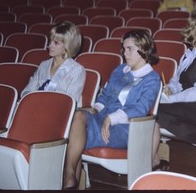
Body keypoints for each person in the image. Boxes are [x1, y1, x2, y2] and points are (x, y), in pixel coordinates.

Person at [63, 29, 161, 189]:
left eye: (130, 49)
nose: (125, 53)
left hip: (126, 127)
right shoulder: (119, 70)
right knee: (78, 116)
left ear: (143, 49)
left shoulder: (152, 78)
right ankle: (70, 177)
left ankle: (69, 181)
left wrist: (112, 118)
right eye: (124, 48)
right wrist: (95, 109)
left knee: (75, 134)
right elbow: (105, 96)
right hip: (103, 119)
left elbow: (141, 109)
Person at [151, 11, 196, 170]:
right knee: (151, 108)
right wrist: (170, 89)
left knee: (155, 111)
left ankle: (151, 160)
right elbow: (177, 81)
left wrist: (172, 99)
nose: (186, 29)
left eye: (190, 27)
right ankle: (154, 159)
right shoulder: (189, 55)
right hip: (187, 106)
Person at [21, 21, 86, 107]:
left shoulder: (76, 70)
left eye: (56, 43)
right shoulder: (43, 65)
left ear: (67, 46)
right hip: (35, 107)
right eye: (50, 41)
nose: (50, 45)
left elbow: (70, 102)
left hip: (59, 113)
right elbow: (28, 90)